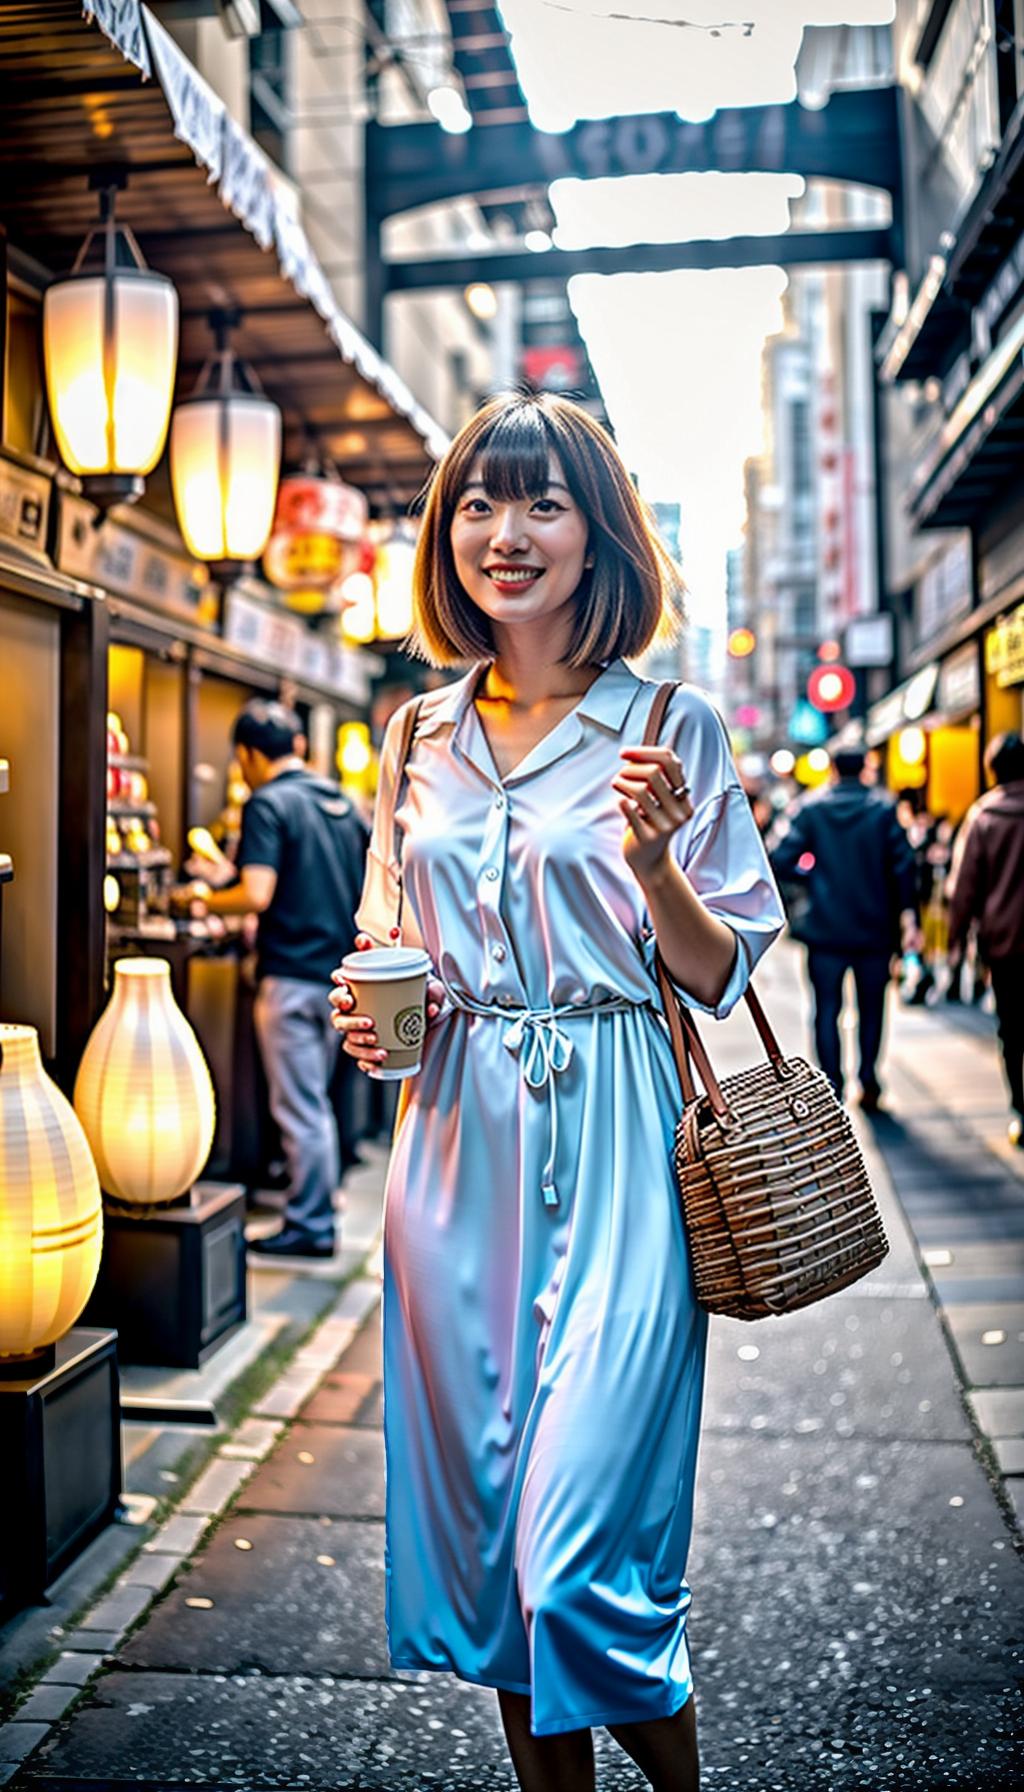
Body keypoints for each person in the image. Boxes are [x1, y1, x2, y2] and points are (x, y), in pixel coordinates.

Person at [329, 390, 784, 1791]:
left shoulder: (669, 724)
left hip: (624, 1133)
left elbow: (715, 973)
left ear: (600, 535)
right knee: (500, 1571)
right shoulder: (415, 736)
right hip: (453, 1143)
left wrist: (653, 867)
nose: (503, 532)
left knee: (579, 1560)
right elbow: (385, 939)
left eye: (541, 502)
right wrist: (371, 1019)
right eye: (476, 501)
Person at [186, 699, 367, 1257]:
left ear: (246, 755)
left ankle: (310, 1225)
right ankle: (318, 1205)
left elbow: (257, 895)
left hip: (289, 977)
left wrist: (201, 895)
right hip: (340, 977)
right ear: (301, 747)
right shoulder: (341, 801)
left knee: (300, 1107)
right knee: (320, 1103)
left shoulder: (267, 803)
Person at [768, 743, 919, 1110]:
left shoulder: (811, 808)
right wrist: (907, 914)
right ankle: (868, 1081)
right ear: (866, 767)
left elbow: (779, 857)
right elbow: (904, 867)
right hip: (874, 928)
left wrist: (812, 876)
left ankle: (831, 1085)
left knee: (826, 1008)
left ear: (832, 769)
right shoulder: (884, 809)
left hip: (825, 928)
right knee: (872, 1007)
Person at [947, 731, 1024, 1148]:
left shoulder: (984, 816)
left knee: (1012, 1029)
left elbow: (964, 887)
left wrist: (956, 941)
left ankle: (1021, 1109)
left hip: (1005, 944)